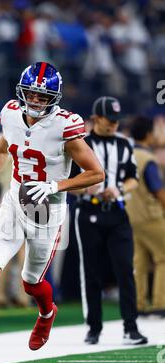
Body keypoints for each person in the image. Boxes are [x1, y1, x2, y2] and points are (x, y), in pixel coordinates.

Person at [0, 61, 104, 363]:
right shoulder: (10, 114)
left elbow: (96, 173)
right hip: (15, 202)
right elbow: (4, 147)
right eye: (31, 94)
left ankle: (47, 312)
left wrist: (57, 185)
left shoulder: (65, 126)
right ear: (22, 92)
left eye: (42, 96)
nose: (34, 101)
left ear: (54, 98)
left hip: (48, 211)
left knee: (31, 283)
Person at [72, 96, 148, 345]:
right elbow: (66, 183)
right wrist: (85, 189)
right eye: (109, 119)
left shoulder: (125, 144)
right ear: (96, 118)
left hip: (117, 213)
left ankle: (131, 327)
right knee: (91, 271)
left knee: (125, 269)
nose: (114, 124)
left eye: (117, 120)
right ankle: (93, 327)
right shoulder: (81, 143)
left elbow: (133, 178)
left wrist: (119, 190)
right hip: (89, 212)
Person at [126, 116, 165, 316]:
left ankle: (138, 304)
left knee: (138, 262)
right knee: (163, 257)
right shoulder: (148, 158)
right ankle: (161, 303)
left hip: (130, 215)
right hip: (150, 216)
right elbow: (158, 190)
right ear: (149, 134)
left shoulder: (126, 153)